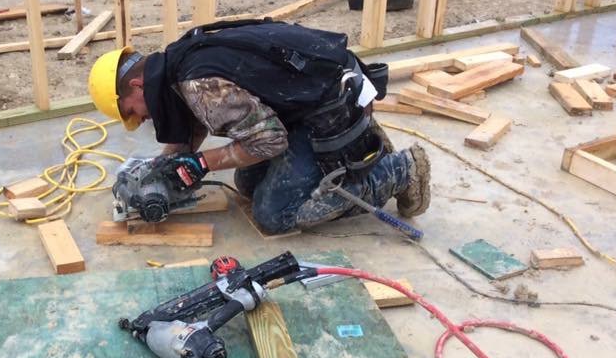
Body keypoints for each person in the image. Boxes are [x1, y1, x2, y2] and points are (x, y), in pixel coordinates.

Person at [87, 19, 430, 235]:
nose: (138, 119)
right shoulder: (175, 62)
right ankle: (359, 152)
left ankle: (398, 170)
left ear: (134, 87)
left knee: (274, 214)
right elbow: (193, 121)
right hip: (307, 99)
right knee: (248, 182)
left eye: (130, 112)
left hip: (331, 110)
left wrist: (203, 163)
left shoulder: (198, 84)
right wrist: (164, 165)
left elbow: (269, 141)